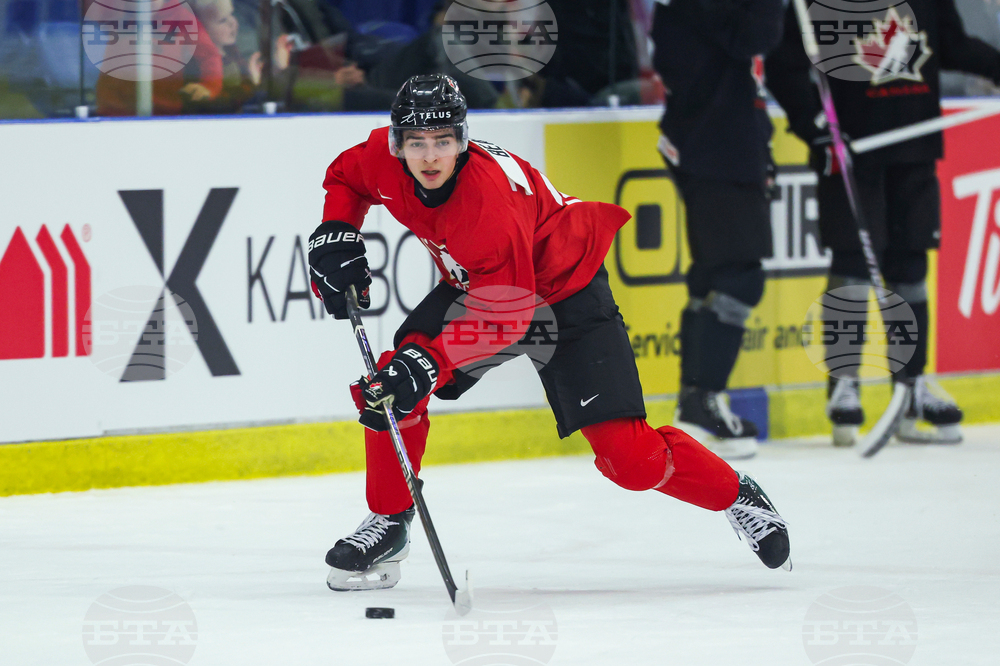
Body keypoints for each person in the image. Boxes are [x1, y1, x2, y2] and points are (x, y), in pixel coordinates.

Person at [307, 74, 791, 592]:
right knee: (393, 386)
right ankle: (390, 521)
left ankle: (734, 493)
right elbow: (346, 177)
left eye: (443, 141)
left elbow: (509, 315)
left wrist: (431, 362)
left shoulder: (488, 203)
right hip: (487, 283)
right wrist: (337, 230)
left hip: (565, 292)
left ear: (463, 141)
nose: (429, 157)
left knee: (631, 461)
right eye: (417, 143)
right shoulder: (382, 159)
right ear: (396, 142)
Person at [765, 0, 1000, 445]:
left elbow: (953, 45)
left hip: (914, 147)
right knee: (852, 266)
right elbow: (785, 68)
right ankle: (844, 385)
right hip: (851, 154)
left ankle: (911, 386)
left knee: (910, 268)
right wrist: (815, 126)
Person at [649, 0, 787, 460]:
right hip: (717, 147)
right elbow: (755, 35)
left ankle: (697, 400)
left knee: (713, 272)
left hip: (714, 142)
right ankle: (702, 398)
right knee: (737, 275)